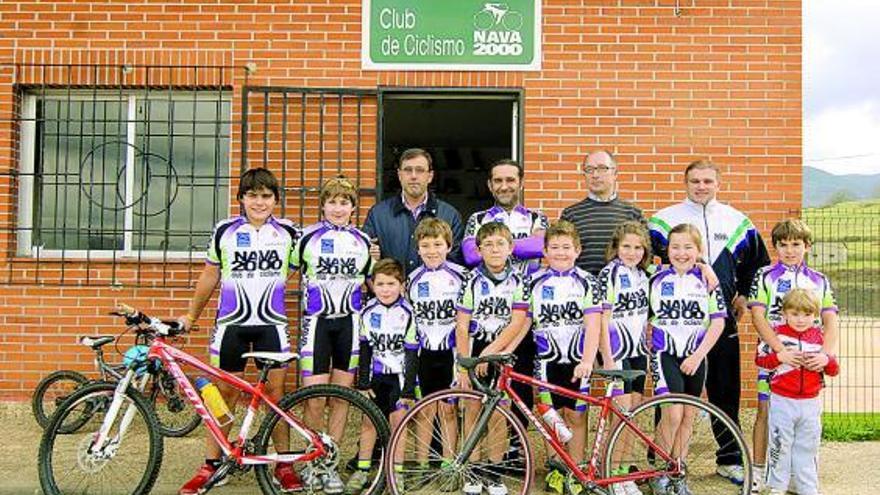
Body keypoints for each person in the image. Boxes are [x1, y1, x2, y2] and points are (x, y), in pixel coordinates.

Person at [178, 168, 302, 494]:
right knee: (224, 396)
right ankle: (212, 464)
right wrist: (191, 316)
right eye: (252, 195)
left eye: (266, 196)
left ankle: (284, 464)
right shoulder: (225, 231)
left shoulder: (290, 232)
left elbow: (312, 262)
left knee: (276, 397)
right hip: (231, 325)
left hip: (271, 325)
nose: (259, 202)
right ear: (241, 199)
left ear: (275, 199)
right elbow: (209, 276)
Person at [648, 159, 770, 485]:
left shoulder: (737, 221)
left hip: (720, 322)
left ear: (718, 183)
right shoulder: (663, 219)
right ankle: (660, 464)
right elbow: (647, 262)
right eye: (695, 181)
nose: (701, 186)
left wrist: (744, 294)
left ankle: (729, 459)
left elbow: (758, 265)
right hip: (676, 330)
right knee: (671, 400)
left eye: (707, 181)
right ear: (685, 183)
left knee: (726, 391)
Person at [480, 220, 603, 495]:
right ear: (545, 251)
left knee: (577, 417)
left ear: (578, 250)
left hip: (577, 361)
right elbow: (522, 322)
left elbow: (593, 324)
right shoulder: (531, 281)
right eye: (555, 247)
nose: (561, 252)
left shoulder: (588, 282)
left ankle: (577, 469)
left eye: (566, 247)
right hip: (545, 362)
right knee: (551, 415)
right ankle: (557, 468)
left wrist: (587, 360)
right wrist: (503, 351)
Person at [292, 176, 373, 494]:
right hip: (316, 326)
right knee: (314, 397)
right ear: (323, 205)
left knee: (341, 398)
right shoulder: (306, 238)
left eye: (345, 202)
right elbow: (283, 273)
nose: (338, 208)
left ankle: (330, 464)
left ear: (353, 208)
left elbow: (372, 283)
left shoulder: (363, 241)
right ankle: (312, 461)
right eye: (333, 201)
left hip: (349, 326)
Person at [747, 219, 839, 494]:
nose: (790, 250)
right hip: (774, 355)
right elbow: (758, 316)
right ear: (774, 246)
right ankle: (761, 472)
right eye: (783, 245)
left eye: (796, 244)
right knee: (766, 412)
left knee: (806, 421)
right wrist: (779, 351)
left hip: (808, 357)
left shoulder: (819, 280)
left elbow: (831, 320)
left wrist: (826, 354)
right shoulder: (764, 275)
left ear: (807, 246)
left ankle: (800, 477)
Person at [460, 158, 548, 444]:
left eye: (510, 180)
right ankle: (484, 454)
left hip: (525, 316)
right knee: (482, 393)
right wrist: (519, 247)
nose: (504, 185)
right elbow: (471, 256)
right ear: (489, 184)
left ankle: (514, 451)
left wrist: (497, 247)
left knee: (519, 387)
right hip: (488, 316)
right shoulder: (477, 218)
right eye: (498, 180)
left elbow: (541, 246)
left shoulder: (537, 217)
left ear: (521, 183)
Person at [647, 223, 727, 495]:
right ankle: (659, 471)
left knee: (689, 416)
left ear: (699, 251)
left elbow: (717, 324)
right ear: (667, 250)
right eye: (675, 247)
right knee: (673, 413)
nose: (681, 253)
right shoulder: (654, 277)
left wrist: (697, 356)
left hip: (696, 355)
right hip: (664, 352)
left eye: (688, 247)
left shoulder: (708, 280)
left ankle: (677, 472)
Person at [455, 222, 528, 495]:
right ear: (479, 249)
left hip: (502, 349)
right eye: (489, 244)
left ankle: (494, 474)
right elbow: (461, 324)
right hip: (473, 348)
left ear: (510, 248)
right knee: (472, 411)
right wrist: (465, 365)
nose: (495, 249)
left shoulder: (520, 280)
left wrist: (491, 354)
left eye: (501, 244)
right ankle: (473, 472)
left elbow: (517, 321)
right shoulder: (470, 279)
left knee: (500, 413)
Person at [755, 289, 839, 495]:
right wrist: (779, 357)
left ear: (815, 316)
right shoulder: (777, 336)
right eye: (795, 314)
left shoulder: (819, 338)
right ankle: (776, 487)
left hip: (811, 402)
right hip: (783, 401)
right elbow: (760, 360)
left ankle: (807, 488)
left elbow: (834, 369)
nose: (801, 320)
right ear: (784, 313)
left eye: (807, 315)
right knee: (780, 445)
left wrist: (825, 360)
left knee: (807, 447)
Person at [348, 258, 419, 494]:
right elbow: (365, 350)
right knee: (369, 423)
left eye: (391, 284)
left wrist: (409, 389)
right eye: (380, 284)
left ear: (402, 285)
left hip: (399, 378)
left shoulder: (409, 312)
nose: (386, 289)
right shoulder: (367, 312)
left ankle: (395, 473)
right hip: (377, 377)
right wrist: (363, 382)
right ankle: (363, 470)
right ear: (372, 285)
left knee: (398, 425)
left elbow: (411, 354)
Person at [597, 221, 653, 495]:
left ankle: (623, 472)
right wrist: (607, 359)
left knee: (634, 413)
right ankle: (610, 472)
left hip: (638, 352)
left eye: (637, 247)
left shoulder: (645, 276)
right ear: (616, 248)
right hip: (616, 352)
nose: (632, 252)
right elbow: (602, 320)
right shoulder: (609, 274)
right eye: (626, 246)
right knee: (619, 416)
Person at [407, 218, 467, 469]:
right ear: (418, 248)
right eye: (426, 245)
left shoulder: (462, 276)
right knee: (424, 411)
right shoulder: (411, 278)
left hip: (450, 353)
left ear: (448, 246)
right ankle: (422, 466)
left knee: (449, 410)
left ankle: (448, 464)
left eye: (437, 244)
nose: (432, 250)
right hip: (423, 353)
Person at [363, 148, 464, 274]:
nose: (414, 176)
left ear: (430, 176)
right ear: (399, 175)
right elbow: (365, 259)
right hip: (390, 292)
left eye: (420, 170)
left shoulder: (449, 215)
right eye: (408, 170)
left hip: (435, 291)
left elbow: (456, 261)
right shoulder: (378, 214)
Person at [561, 150, 644, 276]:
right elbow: (562, 255)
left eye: (601, 168)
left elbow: (646, 256)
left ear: (615, 173)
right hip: (582, 290)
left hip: (623, 290)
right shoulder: (570, 215)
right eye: (589, 169)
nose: (595, 175)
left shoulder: (633, 213)